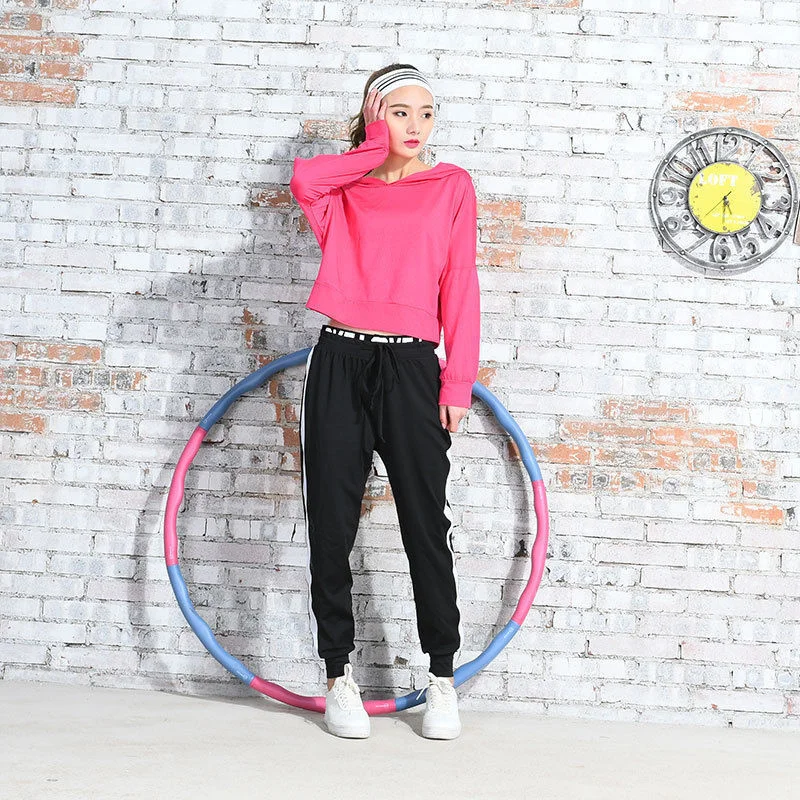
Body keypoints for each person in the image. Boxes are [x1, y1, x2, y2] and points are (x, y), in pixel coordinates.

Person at [289, 63, 480, 740]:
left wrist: (457, 381)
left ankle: (442, 679)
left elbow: (460, 283)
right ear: (375, 117)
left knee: (426, 524)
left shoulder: (450, 185)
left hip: (412, 368)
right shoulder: (343, 189)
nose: (417, 126)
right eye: (401, 112)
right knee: (331, 525)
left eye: (426, 113)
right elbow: (304, 179)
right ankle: (337, 676)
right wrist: (372, 148)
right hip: (339, 360)